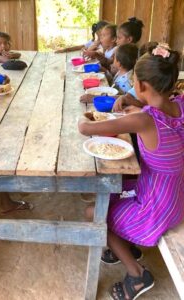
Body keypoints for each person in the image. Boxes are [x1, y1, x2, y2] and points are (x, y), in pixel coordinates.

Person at [78, 44, 184, 299]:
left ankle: (137, 275)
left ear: (142, 85)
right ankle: (126, 245)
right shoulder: (179, 103)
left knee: (94, 212)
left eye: (134, 81)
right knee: (111, 195)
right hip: (175, 196)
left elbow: (85, 129)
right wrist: (131, 101)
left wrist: (84, 115)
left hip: (156, 206)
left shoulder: (145, 120)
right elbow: (157, 106)